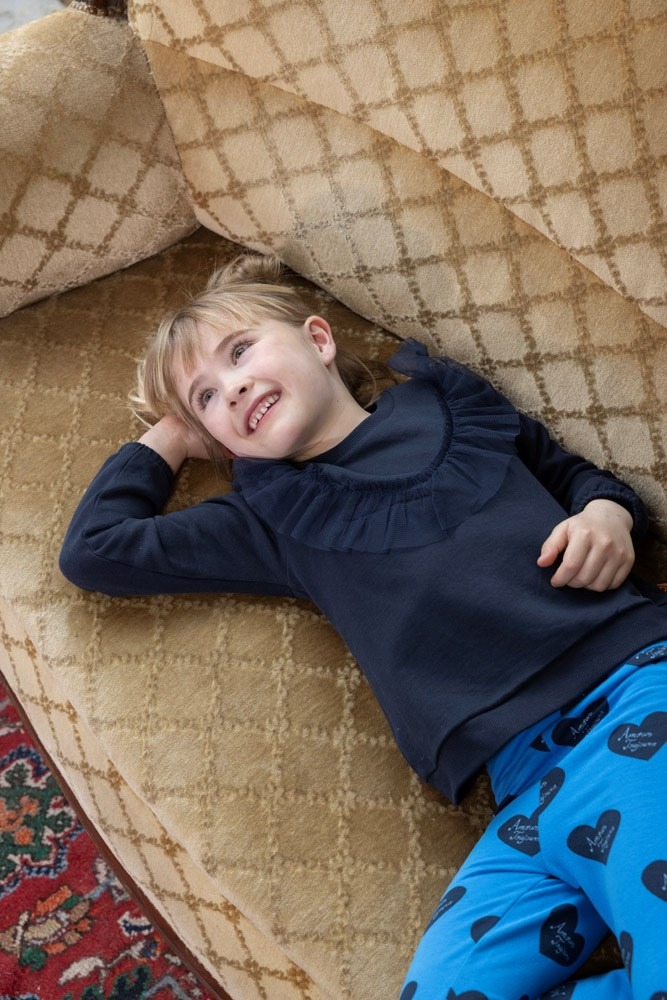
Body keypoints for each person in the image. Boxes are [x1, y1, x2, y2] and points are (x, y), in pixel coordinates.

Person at [59, 253, 667, 1000]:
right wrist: (171, 438)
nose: (233, 387)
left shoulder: (449, 406)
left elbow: (567, 472)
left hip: (631, 704)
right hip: (523, 795)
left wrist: (607, 513)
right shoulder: (269, 521)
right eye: (206, 397)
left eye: (240, 352)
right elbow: (95, 550)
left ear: (318, 339)